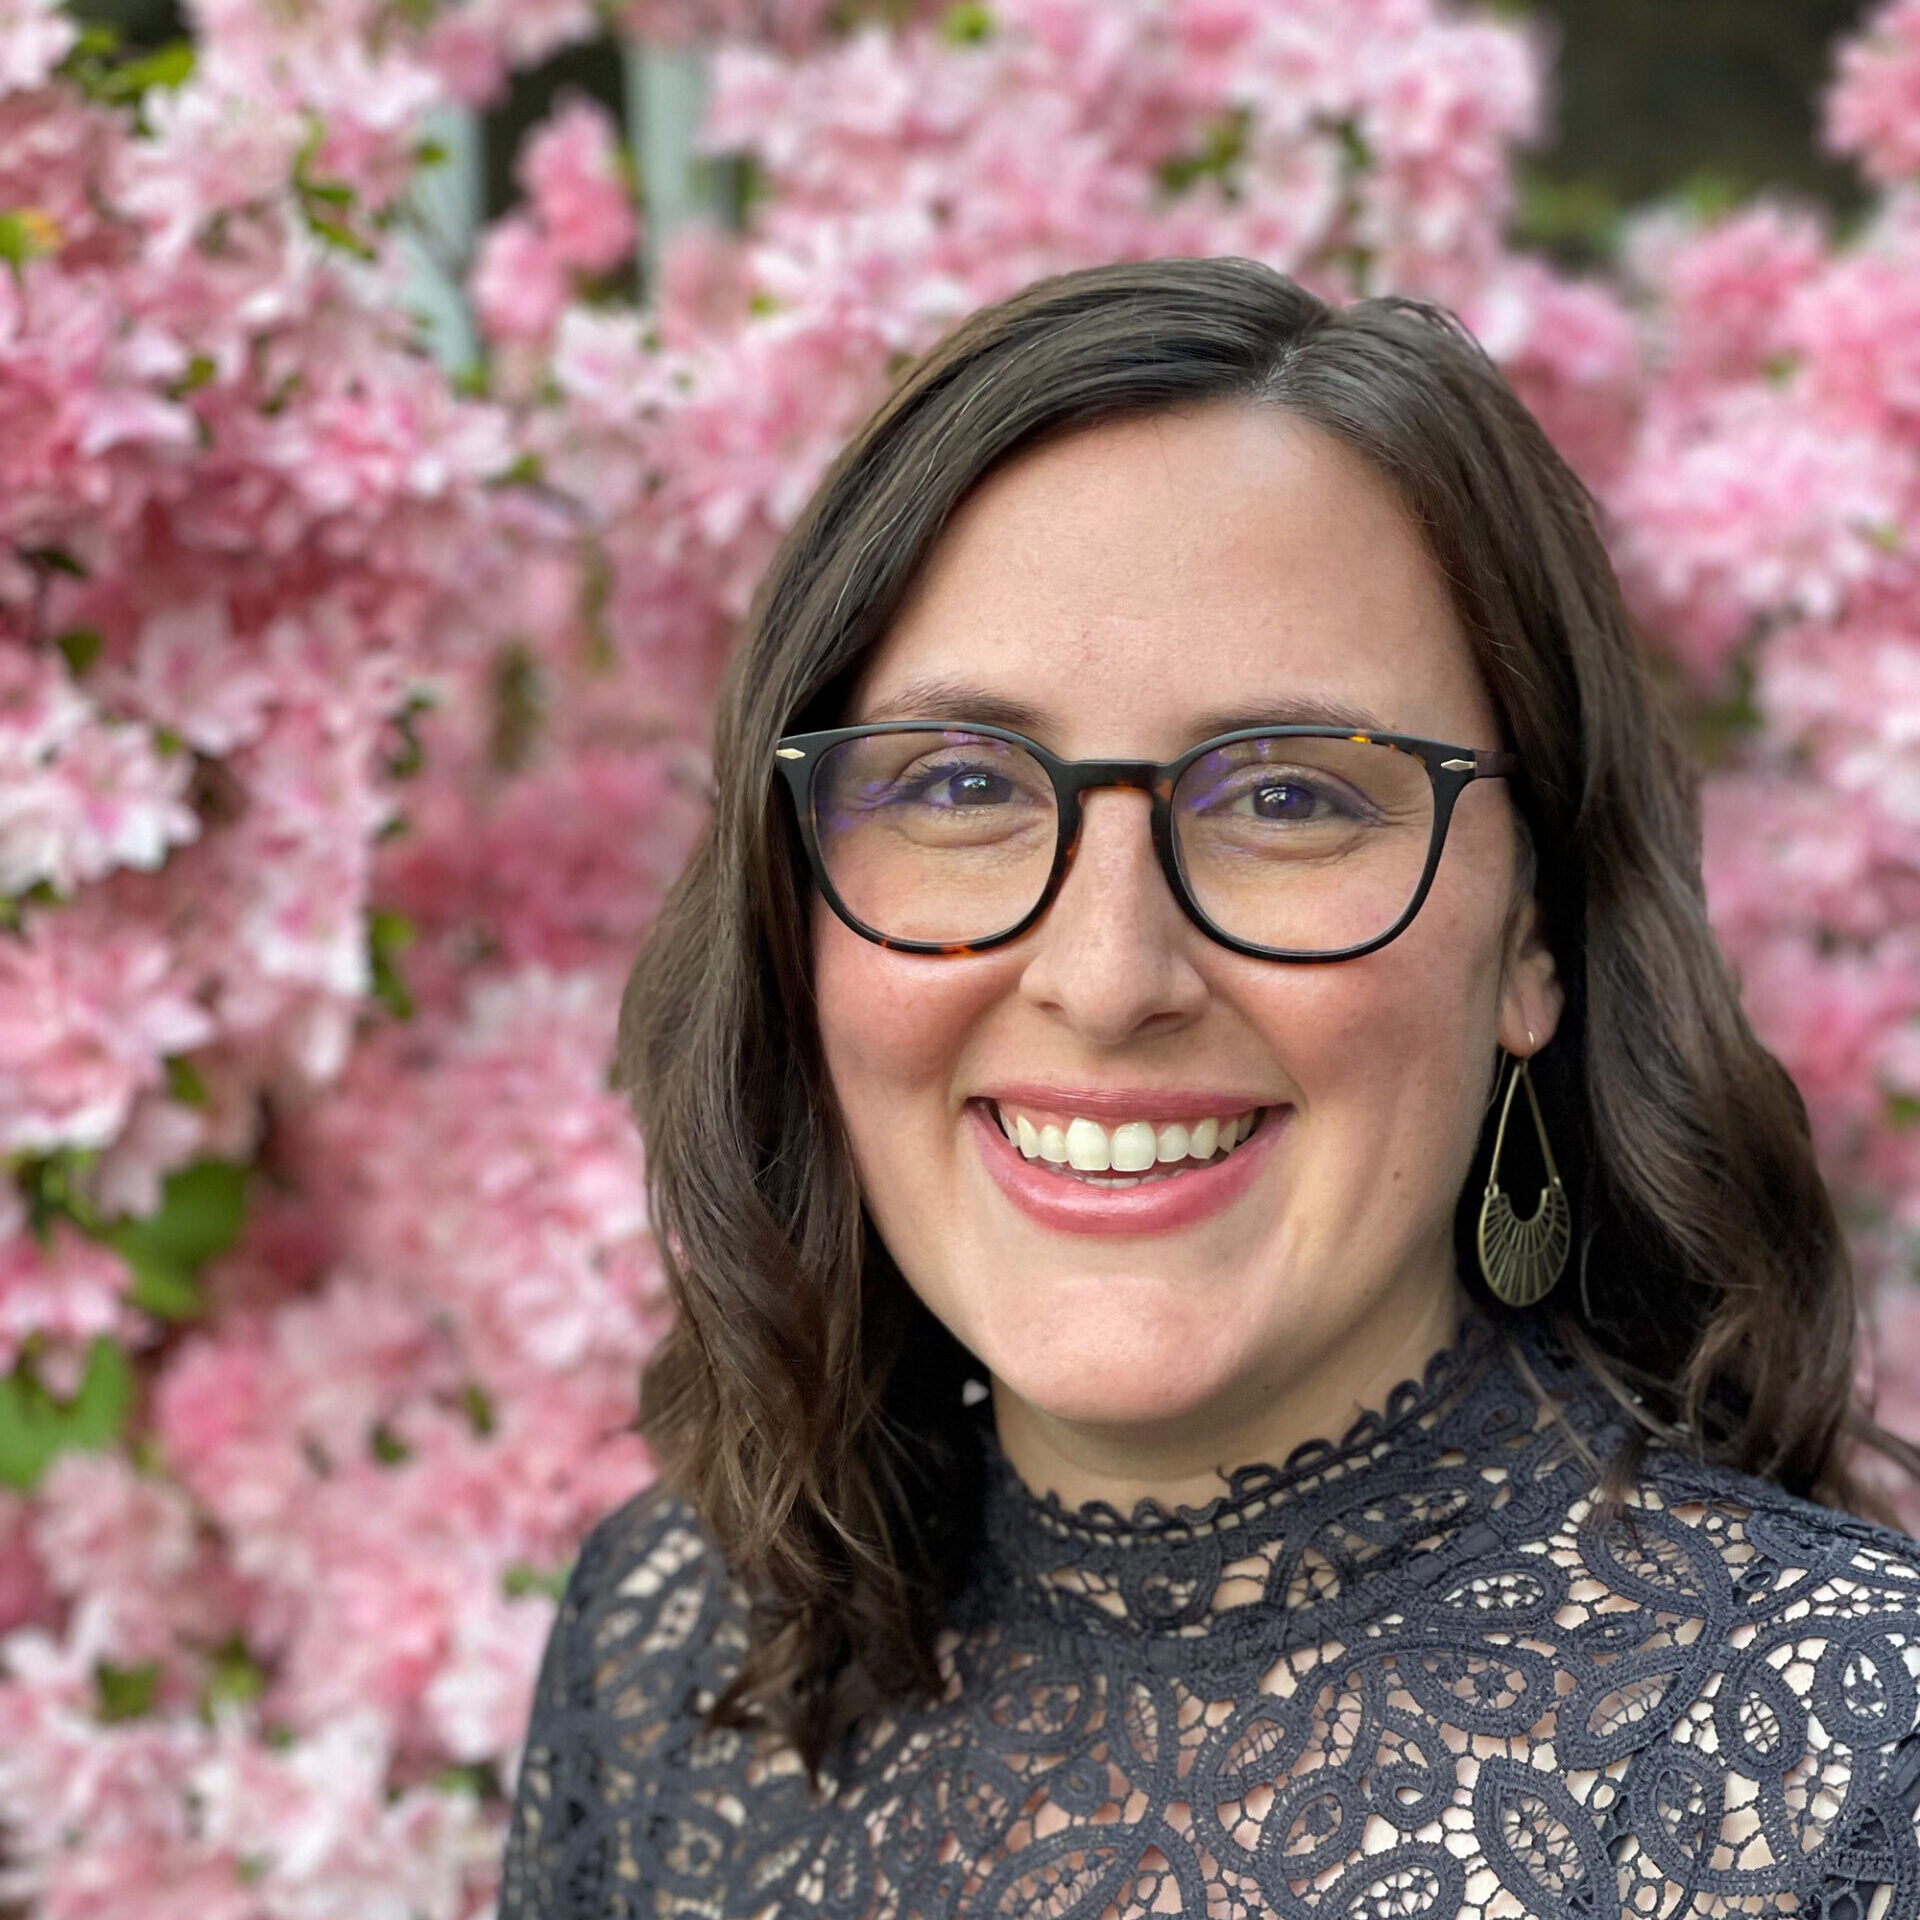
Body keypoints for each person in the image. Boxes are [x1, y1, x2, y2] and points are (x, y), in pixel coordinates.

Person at [496, 257, 1920, 1919]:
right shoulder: (665, 1656)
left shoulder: (1849, 1775)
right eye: (960, 784)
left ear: (1535, 939)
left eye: (1293, 799)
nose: (1107, 977)